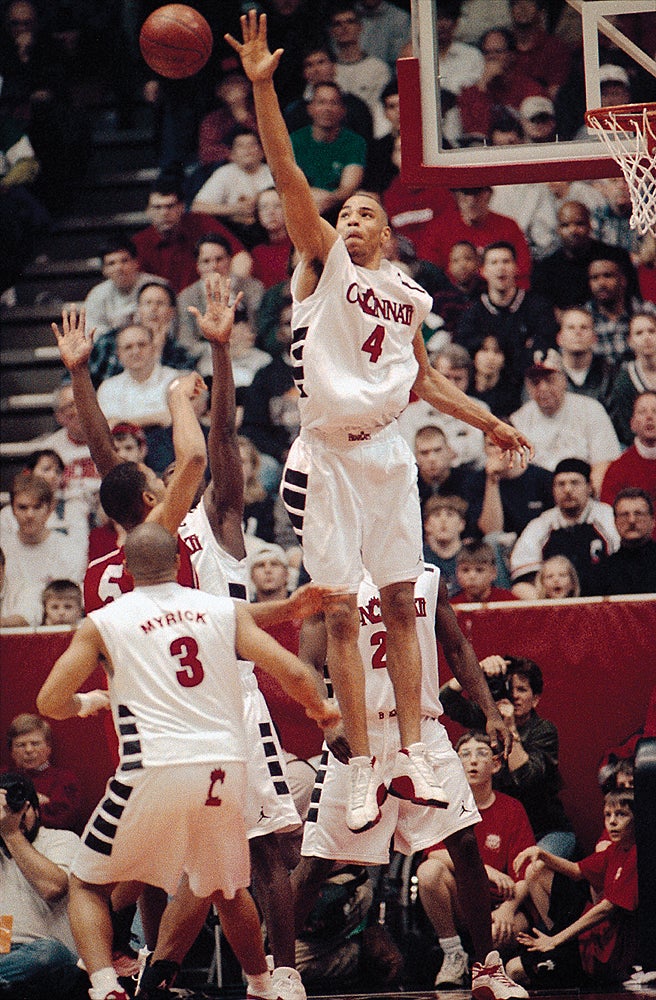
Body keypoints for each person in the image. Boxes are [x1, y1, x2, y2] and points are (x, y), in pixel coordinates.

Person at [225, 9, 532, 834]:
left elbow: (426, 380)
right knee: (335, 609)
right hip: (326, 455)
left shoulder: (406, 296)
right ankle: (359, 764)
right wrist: (263, 90)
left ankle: (407, 757)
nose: (351, 221)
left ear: (388, 234)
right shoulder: (320, 267)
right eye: (345, 214)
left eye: (365, 215)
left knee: (402, 605)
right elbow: (289, 172)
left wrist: (492, 421)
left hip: (389, 454)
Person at [36, 522, 339, 1000]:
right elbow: (292, 669)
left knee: (87, 884)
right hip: (223, 769)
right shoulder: (219, 610)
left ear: (128, 570)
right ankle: (261, 985)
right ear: (181, 564)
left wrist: (89, 702)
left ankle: (104, 986)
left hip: (152, 766)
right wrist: (322, 710)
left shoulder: (103, 622)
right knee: (227, 887)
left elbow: (50, 700)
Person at [293, 566, 529, 999]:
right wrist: (327, 718)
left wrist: (490, 710)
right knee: (317, 860)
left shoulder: (425, 575)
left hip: (420, 730)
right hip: (358, 733)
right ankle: (281, 972)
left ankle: (487, 967)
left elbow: (457, 645)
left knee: (464, 842)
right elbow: (306, 662)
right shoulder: (332, 579)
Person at [417, 731, 535, 983]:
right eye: (465, 755)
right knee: (428, 871)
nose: (473, 761)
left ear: (495, 764)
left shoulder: (512, 808)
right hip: (464, 904)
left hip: (503, 905)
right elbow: (433, 853)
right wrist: (487, 871)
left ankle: (492, 971)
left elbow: (525, 873)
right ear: (455, 764)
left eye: (482, 754)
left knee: (498, 935)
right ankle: (453, 954)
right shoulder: (446, 803)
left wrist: (508, 909)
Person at [440, 656, 575, 858]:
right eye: (509, 689)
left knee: (533, 868)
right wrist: (476, 670)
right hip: (503, 830)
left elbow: (527, 779)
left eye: (522, 690)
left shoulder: (544, 730)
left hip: (543, 829)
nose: (514, 697)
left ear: (536, 698)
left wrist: (510, 728)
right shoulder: (486, 718)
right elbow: (445, 699)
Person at [507, 790, 638, 987]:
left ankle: (558, 954)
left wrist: (555, 940)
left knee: (514, 970)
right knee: (537, 869)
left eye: (621, 814)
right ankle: (556, 952)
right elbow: (577, 870)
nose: (612, 822)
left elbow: (606, 908)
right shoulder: (615, 850)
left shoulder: (637, 854)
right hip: (589, 939)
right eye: (608, 815)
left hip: (604, 957)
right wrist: (541, 853)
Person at [249, 544, 324, 820]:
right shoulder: (244, 625)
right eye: (260, 565)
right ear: (251, 576)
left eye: (275, 564)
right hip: (268, 741)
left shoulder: (310, 622)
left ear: (287, 575)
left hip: (313, 736)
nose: (268, 570)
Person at [0, 772, 87, 999]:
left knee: (48, 954)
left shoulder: (62, 839)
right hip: (8, 959)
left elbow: (53, 888)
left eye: (18, 809)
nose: (12, 816)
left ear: (36, 811)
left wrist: (11, 833)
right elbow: (3, 930)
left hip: (52, 956)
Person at [510, 349, 621, 495]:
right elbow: (516, 473)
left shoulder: (591, 410)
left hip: (583, 496)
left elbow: (604, 465)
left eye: (550, 380)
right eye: (535, 382)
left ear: (564, 380)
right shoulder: (519, 420)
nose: (543, 388)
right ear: (527, 386)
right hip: (536, 499)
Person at [456, 241, 559, 397]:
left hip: (527, 389)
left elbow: (544, 349)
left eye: (506, 261)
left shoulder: (538, 307)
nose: (501, 267)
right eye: (494, 262)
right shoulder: (472, 313)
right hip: (483, 392)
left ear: (516, 267)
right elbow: (464, 353)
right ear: (483, 270)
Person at [510, 457, 619, 598]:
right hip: (556, 606)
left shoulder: (608, 517)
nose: (567, 490)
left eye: (575, 483)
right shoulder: (541, 524)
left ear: (589, 487)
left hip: (601, 601)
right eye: (561, 484)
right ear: (553, 489)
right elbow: (524, 576)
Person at [132, 178, 249, 294]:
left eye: (170, 206)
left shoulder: (202, 222)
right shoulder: (139, 243)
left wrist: (226, 292)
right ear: (147, 211)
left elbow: (241, 257)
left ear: (182, 207)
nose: (164, 213)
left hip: (207, 298)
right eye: (157, 207)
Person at [0, 471, 86, 627]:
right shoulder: (3, 548)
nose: (30, 515)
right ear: (12, 509)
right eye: (22, 507)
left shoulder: (71, 550)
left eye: (37, 507)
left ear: (50, 508)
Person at [177, 233, 265, 376]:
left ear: (230, 260)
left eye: (219, 259)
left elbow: (257, 329)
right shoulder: (186, 297)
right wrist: (218, 348)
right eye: (206, 261)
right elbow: (185, 342)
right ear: (198, 266)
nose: (214, 266)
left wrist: (232, 297)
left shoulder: (253, 287)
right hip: (207, 359)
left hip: (249, 355)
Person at [531, 201, 639, 311]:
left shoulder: (616, 257)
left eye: (579, 224)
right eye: (565, 225)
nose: (573, 230)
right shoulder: (546, 269)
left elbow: (633, 298)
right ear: (558, 229)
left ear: (590, 225)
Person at [289, 81, 367, 222]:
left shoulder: (354, 142)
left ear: (343, 110)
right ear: (310, 108)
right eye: (321, 102)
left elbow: (347, 188)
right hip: (301, 206)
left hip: (340, 207)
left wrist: (328, 199)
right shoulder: (294, 140)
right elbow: (289, 184)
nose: (327, 108)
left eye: (334, 103)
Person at [423, 188, 533, 289]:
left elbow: (523, 270)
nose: (471, 201)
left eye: (477, 193)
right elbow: (430, 271)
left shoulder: (508, 227)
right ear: (456, 196)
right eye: (465, 194)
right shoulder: (439, 228)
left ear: (489, 195)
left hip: (497, 296)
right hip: (453, 296)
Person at [457, 27, 546, 142]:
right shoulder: (471, 93)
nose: (492, 57)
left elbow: (540, 131)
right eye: (487, 52)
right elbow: (476, 134)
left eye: (498, 52)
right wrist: (483, 84)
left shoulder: (530, 88)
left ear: (512, 55)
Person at [191, 127, 274, 247]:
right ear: (232, 155)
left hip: (269, 231)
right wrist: (234, 209)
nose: (247, 150)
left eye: (252, 145)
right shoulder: (225, 173)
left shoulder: (273, 173)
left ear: (262, 152)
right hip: (235, 232)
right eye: (241, 146)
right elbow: (197, 207)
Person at [95, 325, 183, 430]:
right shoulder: (108, 388)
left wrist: (124, 422)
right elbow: (109, 427)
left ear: (154, 348)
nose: (135, 352)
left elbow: (175, 418)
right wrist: (157, 419)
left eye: (142, 345)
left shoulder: (176, 380)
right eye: (128, 347)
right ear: (119, 355)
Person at [5, 713, 82, 832]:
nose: (29, 750)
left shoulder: (64, 779)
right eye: (20, 745)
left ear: (48, 748)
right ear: (11, 751)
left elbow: (65, 819)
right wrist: (36, 803)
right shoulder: (3, 776)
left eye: (35, 743)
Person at [328, 2, 391, 139]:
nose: (344, 27)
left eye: (350, 22)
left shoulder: (378, 68)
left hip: (368, 134)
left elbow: (378, 110)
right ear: (331, 31)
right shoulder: (326, 68)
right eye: (337, 24)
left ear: (360, 27)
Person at [83, 238, 163, 339]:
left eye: (124, 261)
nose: (119, 268)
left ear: (136, 262)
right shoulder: (96, 295)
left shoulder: (158, 288)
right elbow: (94, 336)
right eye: (112, 263)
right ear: (104, 270)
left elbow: (166, 329)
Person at [601, 392, 656, 532]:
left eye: (655, 411)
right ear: (632, 424)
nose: (649, 417)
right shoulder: (618, 469)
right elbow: (609, 516)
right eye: (642, 412)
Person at [592, 488, 656, 597]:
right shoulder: (603, 572)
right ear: (615, 522)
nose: (631, 520)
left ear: (652, 521)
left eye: (638, 514)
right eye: (624, 515)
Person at [606, 310, 656, 448]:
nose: (647, 337)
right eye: (639, 333)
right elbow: (626, 430)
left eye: (652, 331)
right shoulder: (624, 380)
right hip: (641, 447)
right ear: (630, 341)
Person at [585, 252, 640, 368]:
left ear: (623, 280)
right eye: (595, 278)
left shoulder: (644, 311)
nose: (601, 283)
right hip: (598, 384)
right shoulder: (584, 317)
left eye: (608, 275)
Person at [556, 306, 614, 406]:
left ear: (594, 338)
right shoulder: (546, 376)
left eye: (584, 327)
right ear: (559, 338)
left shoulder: (609, 375)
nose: (578, 332)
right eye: (571, 327)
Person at [422, 494, 469, 596]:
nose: (443, 520)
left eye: (450, 514)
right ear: (427, 525)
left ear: (461, 524)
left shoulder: (472, 554)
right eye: (437, 515)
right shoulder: (419, 558)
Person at [450, 541, 517, 605]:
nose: (472, 576)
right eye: (465, 570)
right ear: (457, 573)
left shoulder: (509, 603)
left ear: (493, 572)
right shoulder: (451, 607)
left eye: (479, 570)